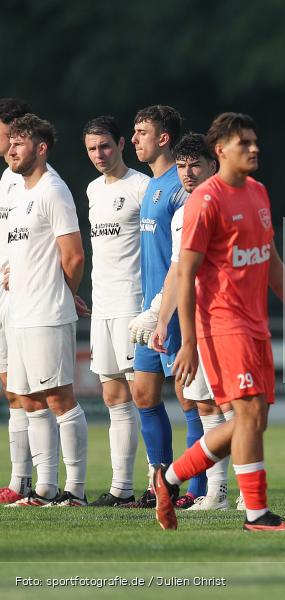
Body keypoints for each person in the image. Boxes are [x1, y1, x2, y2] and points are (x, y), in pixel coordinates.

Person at [154, 112, 285, 531]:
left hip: (256, 324)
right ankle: (257, 514)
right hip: (222, 324)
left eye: (254, 140)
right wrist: (189, 342)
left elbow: (271, 260)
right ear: (221, 150)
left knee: (253, 420)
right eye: (243, 142)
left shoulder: (260, 193)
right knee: (246, 415)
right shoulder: (205, 201)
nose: (253, 148)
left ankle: (169, 478)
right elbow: (185, 275)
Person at [4, 114, 90, 506]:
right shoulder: (18, 192)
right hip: (19, 313)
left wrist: (61, 293)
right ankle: (44, 488)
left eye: (19, 143)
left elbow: (73, 256)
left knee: (59, 398)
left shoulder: (54, 190)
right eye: (10, 142)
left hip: (46, 313)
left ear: (40, 148)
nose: (10, 149)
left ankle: (75, 490)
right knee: (29, 400)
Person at [148, 132, 232, 511]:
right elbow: (177, 270)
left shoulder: (228, 203)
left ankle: (246, 490)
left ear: (213, 165)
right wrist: (162, 320)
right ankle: (215, 493)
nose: (187, 173)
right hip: (194, 321)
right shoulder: (182, 213)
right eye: (181, 166)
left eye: (194, 164)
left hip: (226, 319)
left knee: (234, 408)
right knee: (206, 407)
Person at [82, 116, 148, 506]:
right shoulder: (92, 190)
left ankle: (161, 483)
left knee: (144, 395)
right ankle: (121, 488)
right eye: (91, 148)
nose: (99, 155)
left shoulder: (142, 187)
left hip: (132, 303)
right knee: (112, 396)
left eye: (105, 146)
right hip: (102, 304)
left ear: (121, 143)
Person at [126, 105, 188, 507]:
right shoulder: (150, 187)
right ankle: (160, 483)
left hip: (178, 311)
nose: (134, 139)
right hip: (151, 312)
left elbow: (184, 260)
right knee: (144, 396)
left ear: (163, 138)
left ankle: (202, 490)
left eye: (141, 132)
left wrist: (165, 306)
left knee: (192, 400)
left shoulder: (180, 187)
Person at [0, 98, 36, 504]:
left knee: (33, 392)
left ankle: (43, 480)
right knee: (11, 390)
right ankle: (19, 479)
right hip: (4, 296)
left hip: (25, 297)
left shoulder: (36, 181)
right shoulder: (7, 178)